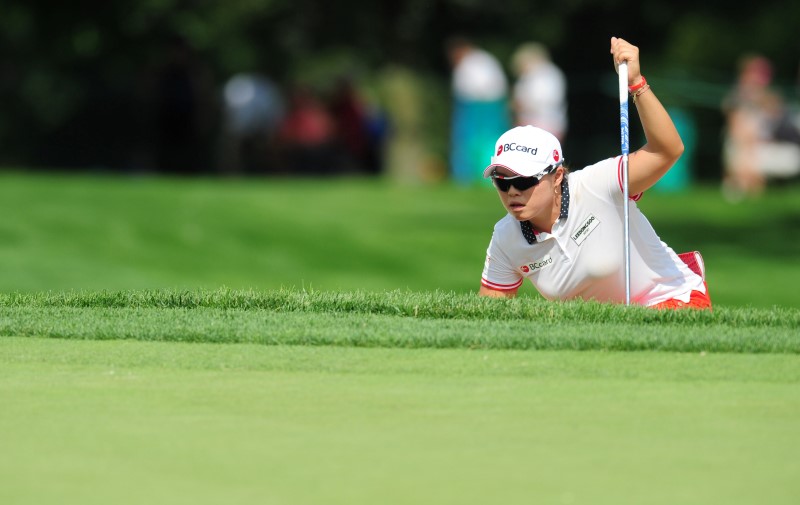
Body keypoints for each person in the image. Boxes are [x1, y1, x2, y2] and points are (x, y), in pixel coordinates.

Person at [478, 37, 711, 310]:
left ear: (557, 177)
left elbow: (666, 151)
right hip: (605, 327)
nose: (512, 191)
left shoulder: (598, 184)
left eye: (525, 180)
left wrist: (636, 83)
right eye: (502, 182)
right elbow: (489, 312)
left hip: (671, 299)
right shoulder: (506, 237)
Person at [721, 54, 800, 199]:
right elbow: (736, 127)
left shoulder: (771, 98)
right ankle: (745, 182)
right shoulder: (736, 98)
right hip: (745, 144)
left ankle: (744, 183)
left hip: (762, 145)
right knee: (746, 132)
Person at [446, 37, 510, 185]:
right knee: (489, 142)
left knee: (469, 142)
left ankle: (466, 177)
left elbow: (472, 89)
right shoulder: (485, 59)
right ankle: (489, 176)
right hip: (492, 105)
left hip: (474, 107)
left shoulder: (468, 63)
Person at [510, 42, 568, 141]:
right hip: (530, 123)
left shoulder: (547, 74)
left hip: (546, 124)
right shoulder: (529, 75)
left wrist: (522, 105)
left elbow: (545, 100)